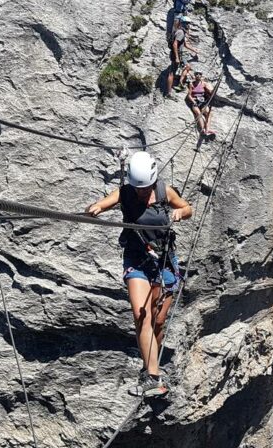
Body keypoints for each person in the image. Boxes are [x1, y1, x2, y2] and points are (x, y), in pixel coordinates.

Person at [86, 151, 193, 397]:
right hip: (137, 260)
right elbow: (105, 202)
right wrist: (96, 208)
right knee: (141, 314)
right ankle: (152, 376)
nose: (141, 193)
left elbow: (188, 208)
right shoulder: (126, 192)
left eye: (145, 189)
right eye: (138, 189)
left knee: (157, 321)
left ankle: (151, 362)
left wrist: (179, 213)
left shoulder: (166, 192)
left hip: (164, 261)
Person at [168, 16, 197, 94]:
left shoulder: (181, 32)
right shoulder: (180, 32)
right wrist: (177, 57)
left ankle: (180, 84)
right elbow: (175, 44)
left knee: (187, 67)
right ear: (184, 24)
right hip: (176, 54)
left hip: (178, 54)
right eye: (187, 24)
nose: (188, 25)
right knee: (172, 73)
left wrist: (194, 50)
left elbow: (185, 45)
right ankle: (169, 93)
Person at [186, 71, 215, 138]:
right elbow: (189, 95)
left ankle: (207, 129)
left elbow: (210, 92)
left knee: (209, 113)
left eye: (200, 74)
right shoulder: (192, 84)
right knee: (198, 113)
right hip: (195, 101)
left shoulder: (203, 84)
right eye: (196, 74)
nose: (198, 75)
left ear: (201, 76)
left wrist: (212, 91)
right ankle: (202, 130)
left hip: (202, 101)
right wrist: (193, 102)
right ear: (195, 75)